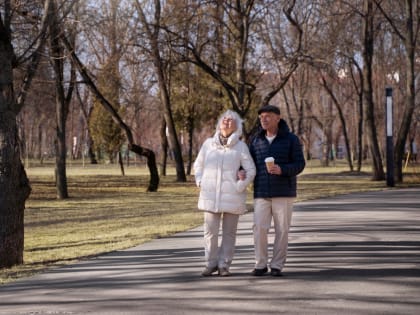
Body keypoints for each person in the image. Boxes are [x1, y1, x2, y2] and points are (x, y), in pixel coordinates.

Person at [194, 109, 256, 277]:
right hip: (210, 196)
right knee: (210, 232)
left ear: (237, 127)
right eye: (224, 119)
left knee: (229, 233)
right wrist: (200, 181)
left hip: (232, 196)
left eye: (231, 120)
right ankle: (210, 264)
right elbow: (198, 166)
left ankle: (224, 265)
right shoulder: (208, 144)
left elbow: (251, 170)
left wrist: (240, 185)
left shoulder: (241, 147)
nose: (227, 121)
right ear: (219, 123)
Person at [249, 104, 305, 277]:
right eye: (261, 117)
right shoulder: (256, 140)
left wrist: (282, 170)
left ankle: (277, 265)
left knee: (282, 230)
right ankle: (260, 264)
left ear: (277, 118)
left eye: (267, 116)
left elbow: (300, 164)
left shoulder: (291, 139)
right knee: (259, 228)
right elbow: (249, 164)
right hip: (261, 192)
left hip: (283, 192)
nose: (263, 119)